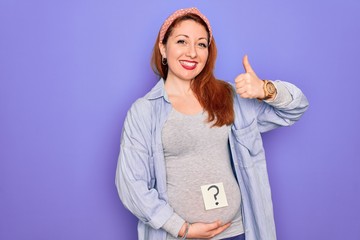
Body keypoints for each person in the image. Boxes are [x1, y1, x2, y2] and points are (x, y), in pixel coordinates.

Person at [115, 7, 309, 240]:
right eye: (182, 41)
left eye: (201, 44)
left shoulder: (227, 97)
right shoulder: (144, 111)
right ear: (163, 48)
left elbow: (295, 109)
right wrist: (181, 228)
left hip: (237, 232)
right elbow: (130, 184)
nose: (192, 52)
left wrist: (265, 89)